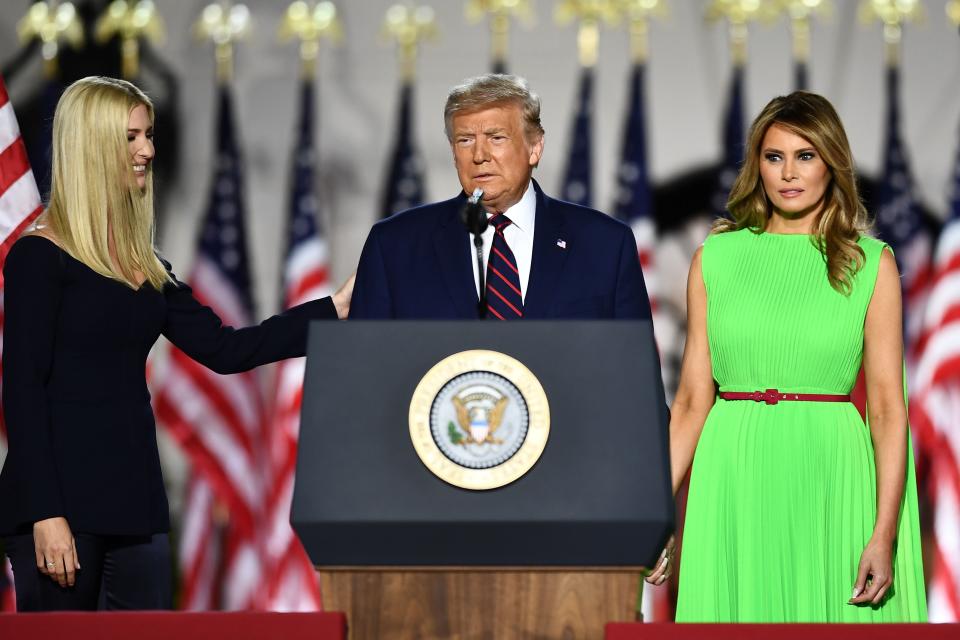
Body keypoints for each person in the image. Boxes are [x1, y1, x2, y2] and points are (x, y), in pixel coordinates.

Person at [0, 76, 354, 611]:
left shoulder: (145, 265)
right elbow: (22, 390)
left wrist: (334, 309)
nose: (148, 150)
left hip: (136, 505)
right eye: (131, 137)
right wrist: (46, 515)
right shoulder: (38, 257)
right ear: (92, 145)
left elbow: (228, 349)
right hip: (59, 509)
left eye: (148, 134)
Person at [644, 91, 927, 621]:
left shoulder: (870, 264)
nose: (788, 173)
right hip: (733, 472)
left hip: (831, 474)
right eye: (774, 157)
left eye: (806, 156)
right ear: (757, 166)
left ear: (831, 164)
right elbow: (689, 402)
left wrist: (883, 532)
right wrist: (653, 514)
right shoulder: (717, 258)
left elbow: (889, 410)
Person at [349, 73, 652, 321]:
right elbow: (368, 373)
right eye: (465, 140)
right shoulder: (394, 245)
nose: (479, 155)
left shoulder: (605, 245)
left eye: (496, 138)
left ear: (535, 148)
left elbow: (634, 376)